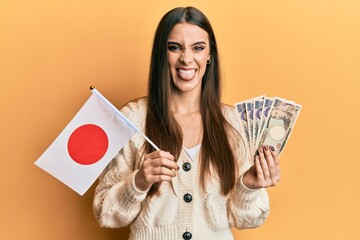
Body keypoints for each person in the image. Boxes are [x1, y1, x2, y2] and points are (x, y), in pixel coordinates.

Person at [93, 6, 280, 240]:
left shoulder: (233, 123)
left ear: (209, 55)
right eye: (174, 48)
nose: (186, 58)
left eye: (198, 48)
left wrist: (249, 186)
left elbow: (246, 219)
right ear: (162, 54)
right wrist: (139, 181)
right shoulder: (132, 118)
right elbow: (105, 213)